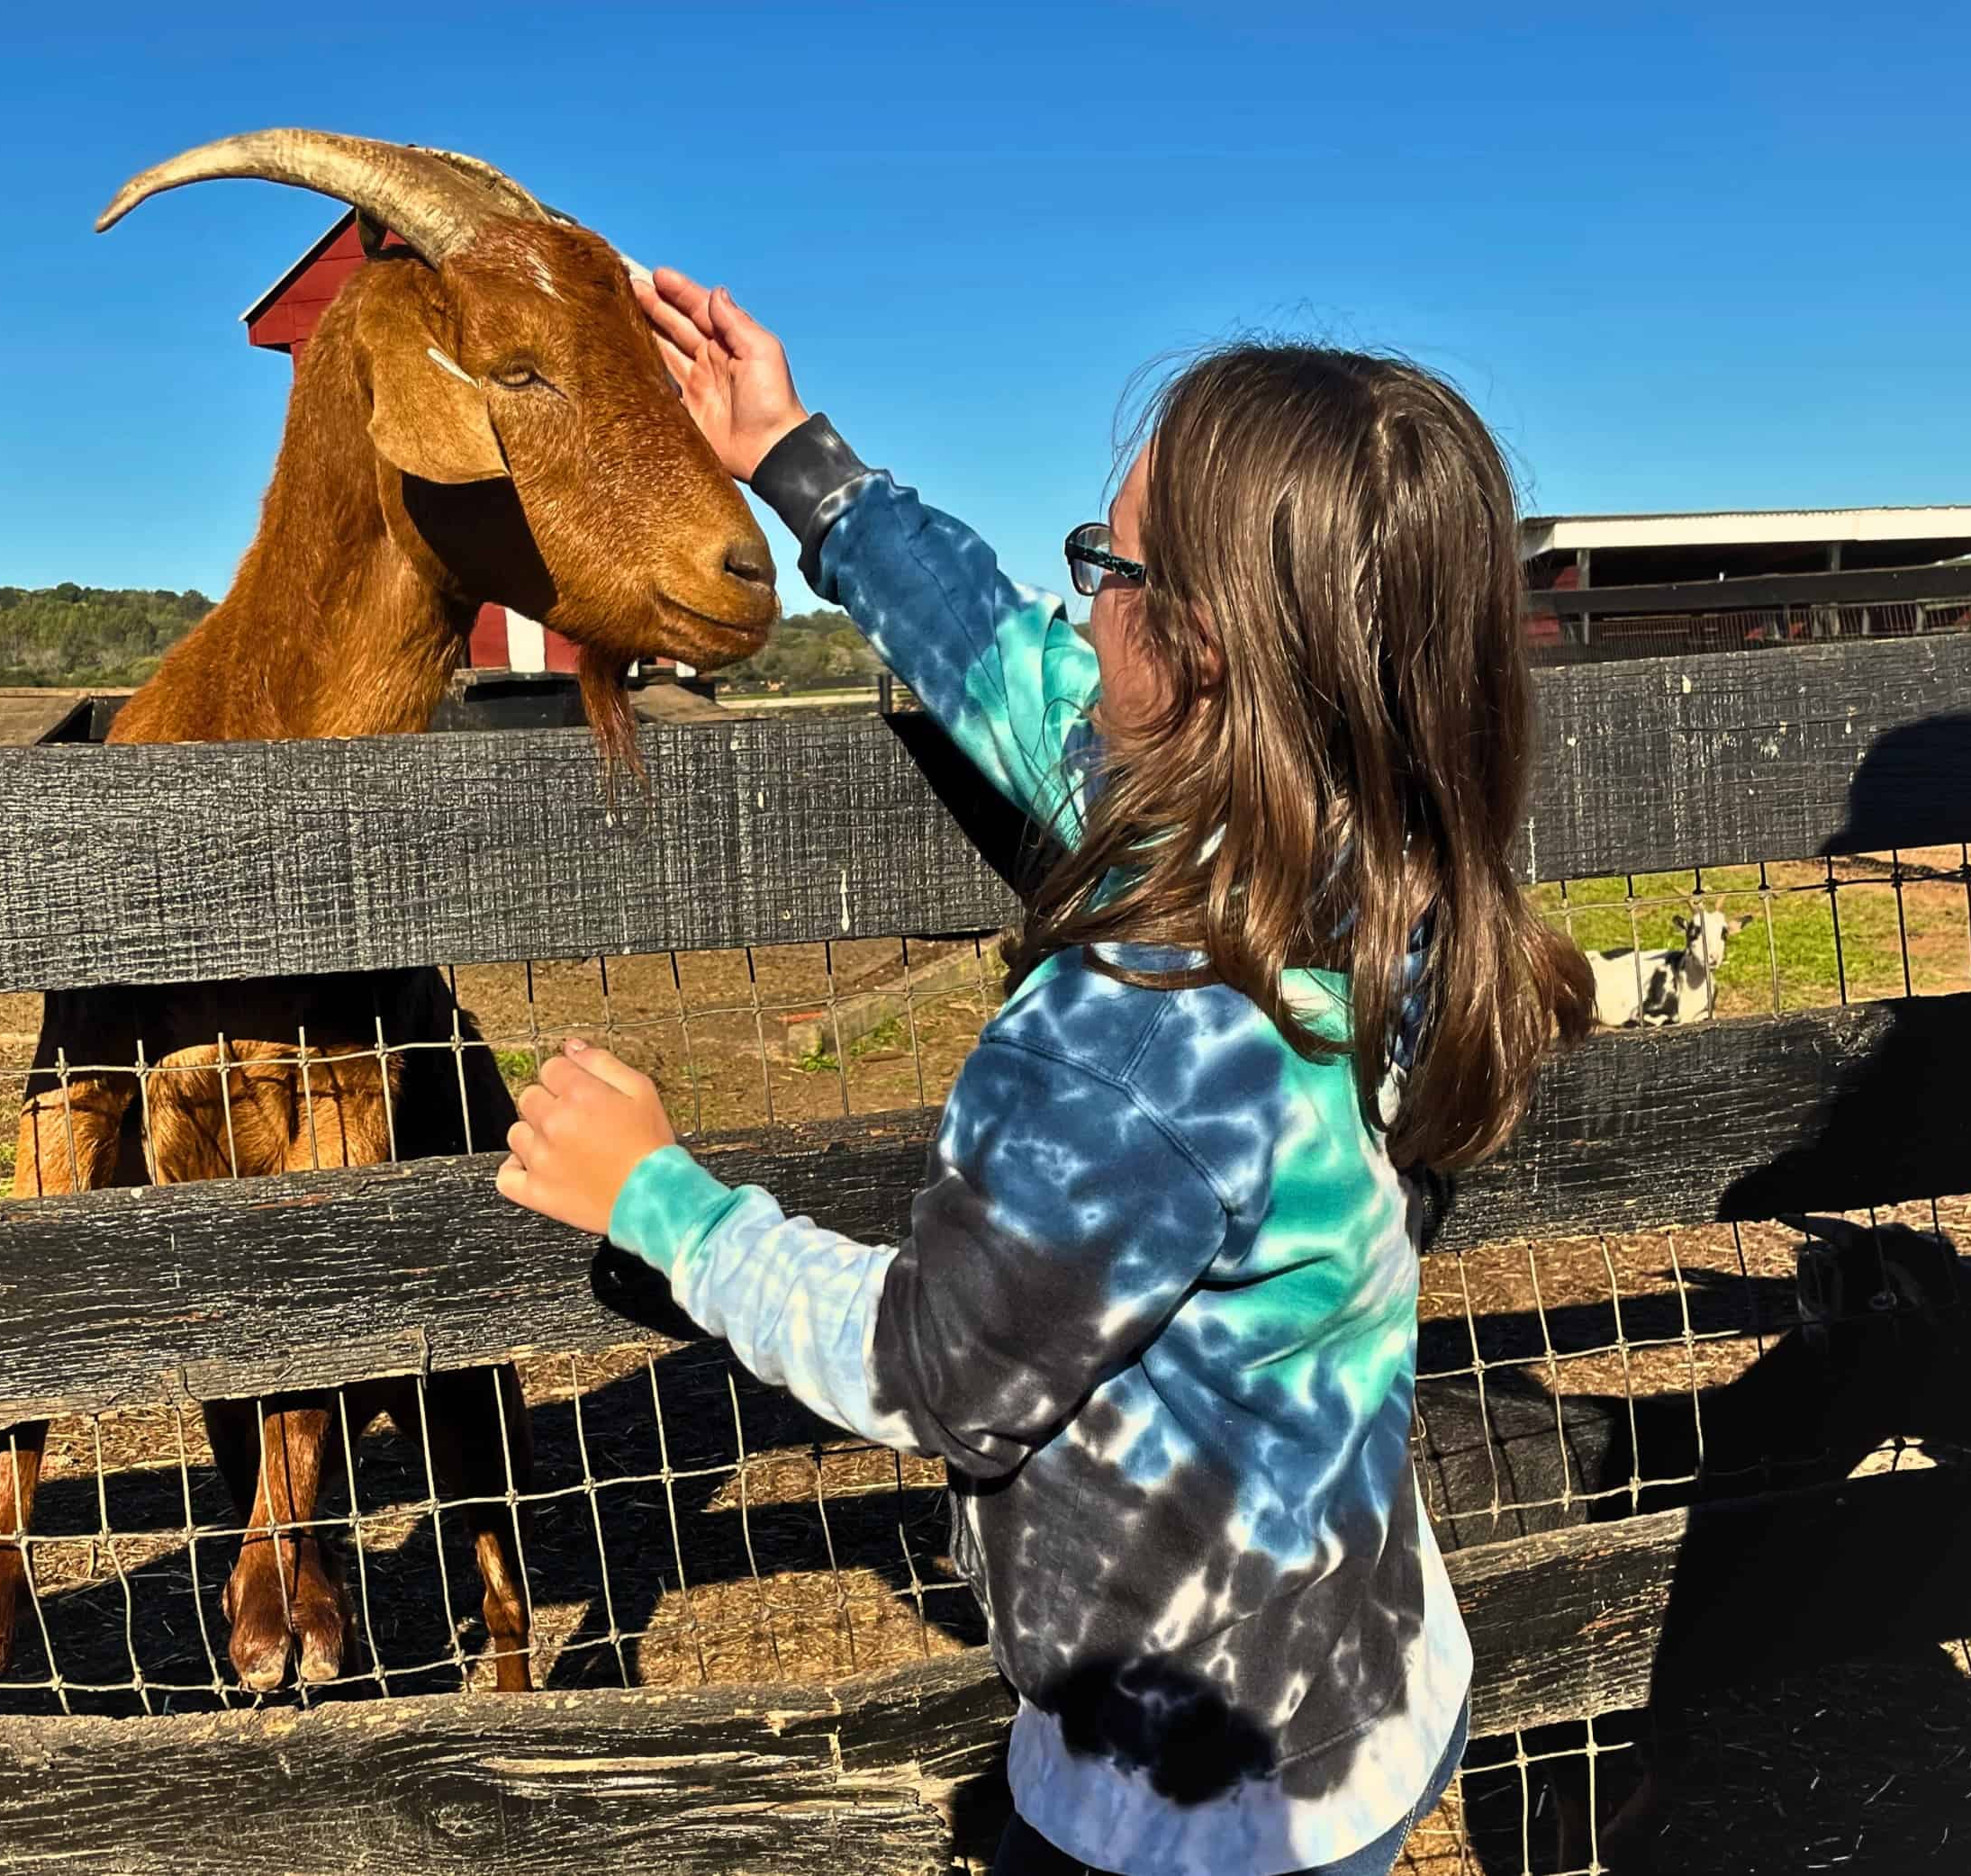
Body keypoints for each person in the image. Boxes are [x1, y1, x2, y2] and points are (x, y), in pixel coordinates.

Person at [495, 269, 1594, 1876]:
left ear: (1200, 650)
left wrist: (661, 1201)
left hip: (1186, 1801)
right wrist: (795, 457)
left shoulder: (1144, 1027)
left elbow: (936, 1368)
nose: (1078, 607)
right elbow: (1009, 669)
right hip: (1365, 1675)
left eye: (1104, 565)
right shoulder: (1374, 857)